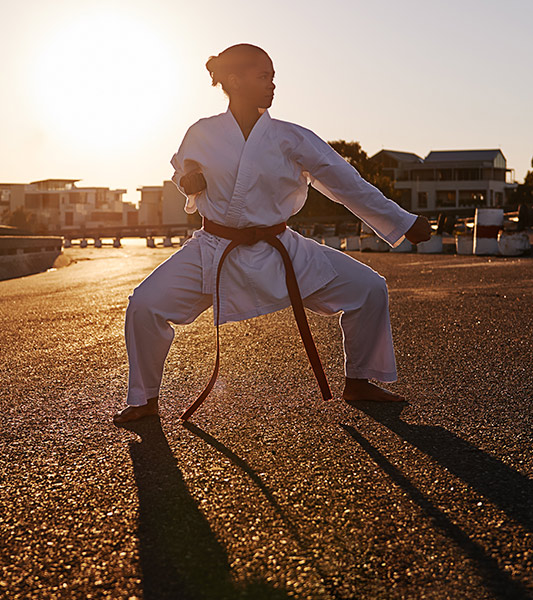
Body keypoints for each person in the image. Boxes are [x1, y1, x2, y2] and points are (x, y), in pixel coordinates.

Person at [113, 43, 431, 424]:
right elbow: (181, 168)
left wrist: (401, 220)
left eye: (273, 77)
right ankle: (144, 399)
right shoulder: (202, 132)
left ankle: (360, 379)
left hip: (280, 249)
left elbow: (346, 183)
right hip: (214, 250)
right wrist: (188, 180)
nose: (272, 85)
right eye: (264, 76)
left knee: (369, 288)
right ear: (235, 80)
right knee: (145, 304)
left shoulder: (290, 138)